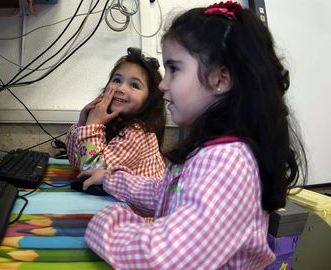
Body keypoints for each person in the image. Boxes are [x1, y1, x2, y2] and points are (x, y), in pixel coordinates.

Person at [81, 2, 308, 269]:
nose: (163, 85)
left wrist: (106, 221)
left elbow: (161, 259)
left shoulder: (227, 162)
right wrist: (109, 180)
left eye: (174, 69)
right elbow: (165, 193)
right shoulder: (211, 149)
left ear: (220, 80)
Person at [65, 47, 167, 182]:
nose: (120, 88)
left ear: (149, 101)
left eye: (134, 85)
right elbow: (76, 164)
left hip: (139, 203)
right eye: (117, 80)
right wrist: (82, 125)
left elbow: (92, 171)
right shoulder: (110, 124)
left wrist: (93, 124)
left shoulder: (139, 133)